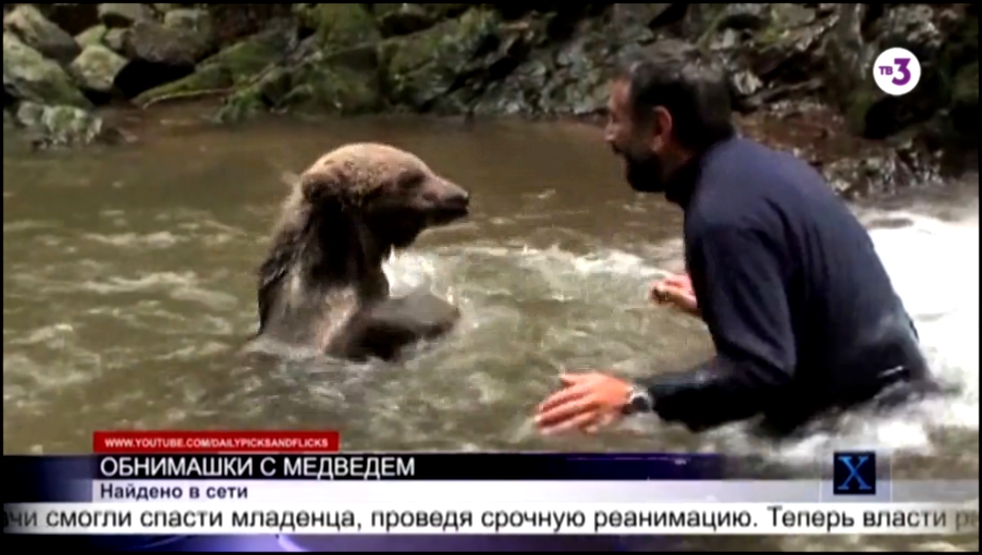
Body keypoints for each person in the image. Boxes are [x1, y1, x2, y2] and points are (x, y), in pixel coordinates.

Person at [534, 40, 936, 438]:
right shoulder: (771, 168)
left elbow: (761, 375)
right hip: (905, 394)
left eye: (616, 119)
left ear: (660, 128)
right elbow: (824, 296)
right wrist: (739, 302)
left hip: (863, 431)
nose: (609, 137)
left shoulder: (720, 217)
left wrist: (636, 397)